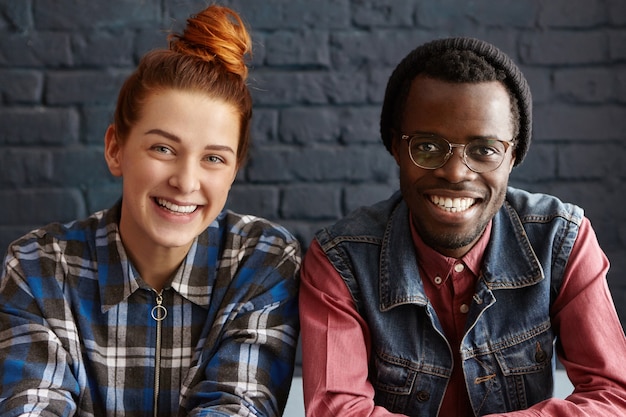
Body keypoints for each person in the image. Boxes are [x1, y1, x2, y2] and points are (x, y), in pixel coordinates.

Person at [299, 37, 626, 416]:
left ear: (513, 155)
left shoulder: (560, 240)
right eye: (427, 147)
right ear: (395, 147)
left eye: (484, 150)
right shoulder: (342, 260)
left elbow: (613, 395)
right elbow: (336, 410)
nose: (455, 172)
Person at [0, 5, 300, 417]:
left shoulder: (262, 261)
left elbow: (237, 407)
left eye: (213, 158)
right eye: (163, 149)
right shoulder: (39, 268)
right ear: (115, 149)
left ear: (233, 172)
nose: (186, 181)